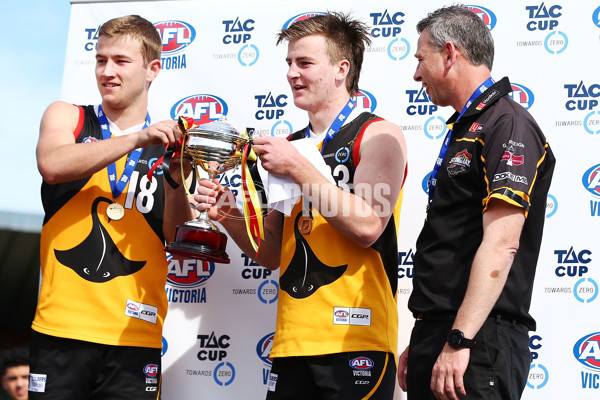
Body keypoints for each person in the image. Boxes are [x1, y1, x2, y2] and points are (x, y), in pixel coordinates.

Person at [194, 11, 407, 399]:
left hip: (355, 340)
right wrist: (224, 211)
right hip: (292, 341)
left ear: (342, 69)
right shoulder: (288, 145)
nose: (292, 73)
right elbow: (270, 252)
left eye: (304, 63)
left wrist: (298, 167)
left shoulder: (377, 134)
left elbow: (368, 226)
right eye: (289, 63)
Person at [397, 5, 555, 400]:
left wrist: (458, 339)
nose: (416, 74)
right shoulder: (471, 125)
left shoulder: (507, 122)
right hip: (447, 333)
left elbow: (502, 243)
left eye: (421, 59)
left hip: (477, 341)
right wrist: (427, 337)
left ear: (450, 54)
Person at [30, 15, 193, 399]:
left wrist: (176, 179)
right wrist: (137, 139)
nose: (107, 71)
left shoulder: (169, 144)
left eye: (121, 61)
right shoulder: (69, 116)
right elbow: (52, 166)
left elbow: (176, 233)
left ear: (153, 69)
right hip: (62, 329)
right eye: (101, 60)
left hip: (134, 335)